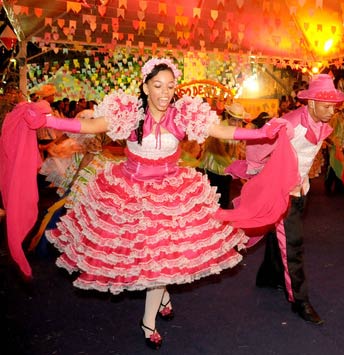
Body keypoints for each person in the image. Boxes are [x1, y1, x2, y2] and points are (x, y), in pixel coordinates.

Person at [12, 58, 284, 349]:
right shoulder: (129, 114)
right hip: (132, 193)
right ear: (145, 87)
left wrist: (261, 133)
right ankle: (162, 298)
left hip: (172, 194)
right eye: (157, 86)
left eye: (169, 86)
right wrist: (47, 121)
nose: (164, 92)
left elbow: (223, 131)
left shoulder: (182, 116)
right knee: (152, 258)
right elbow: (88, 125)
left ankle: (148, 321)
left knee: (161, 259)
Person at [250, 74, 344, 325]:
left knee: (277, 235)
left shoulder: (324, 123)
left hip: (301, 188)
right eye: (325, 106)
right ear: (311, 103)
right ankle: (300, 301)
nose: (330, 111)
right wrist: (254, 172)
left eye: (333, 107)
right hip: (283, 192)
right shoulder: (290, 123)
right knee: (293, 245)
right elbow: (260, 146)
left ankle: (268, 276)